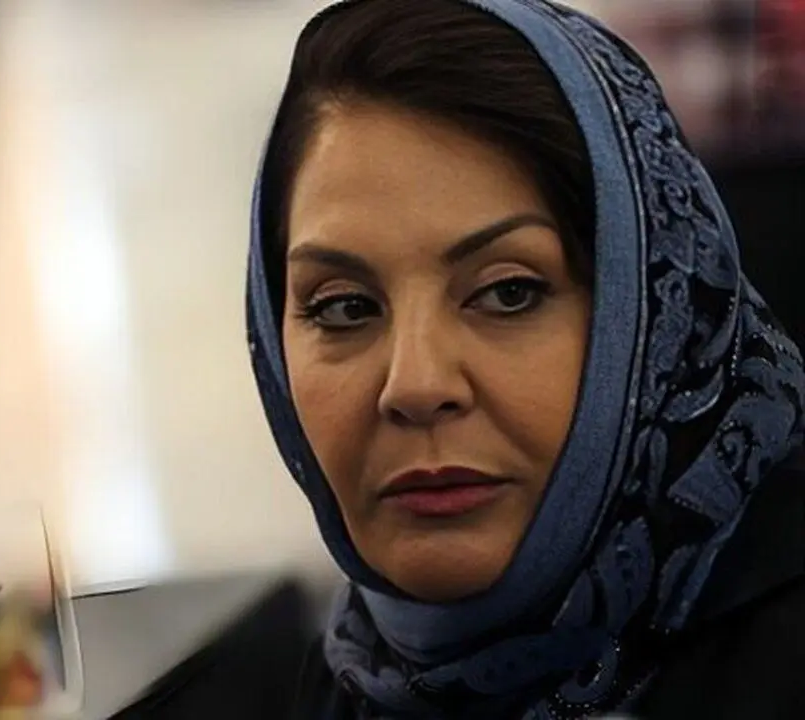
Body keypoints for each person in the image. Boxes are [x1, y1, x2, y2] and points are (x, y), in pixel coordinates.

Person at [244, 0, 805, 717]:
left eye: (508, 292)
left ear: (655, 320)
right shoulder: (335, 686)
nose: (416, 385)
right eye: (345, 307)